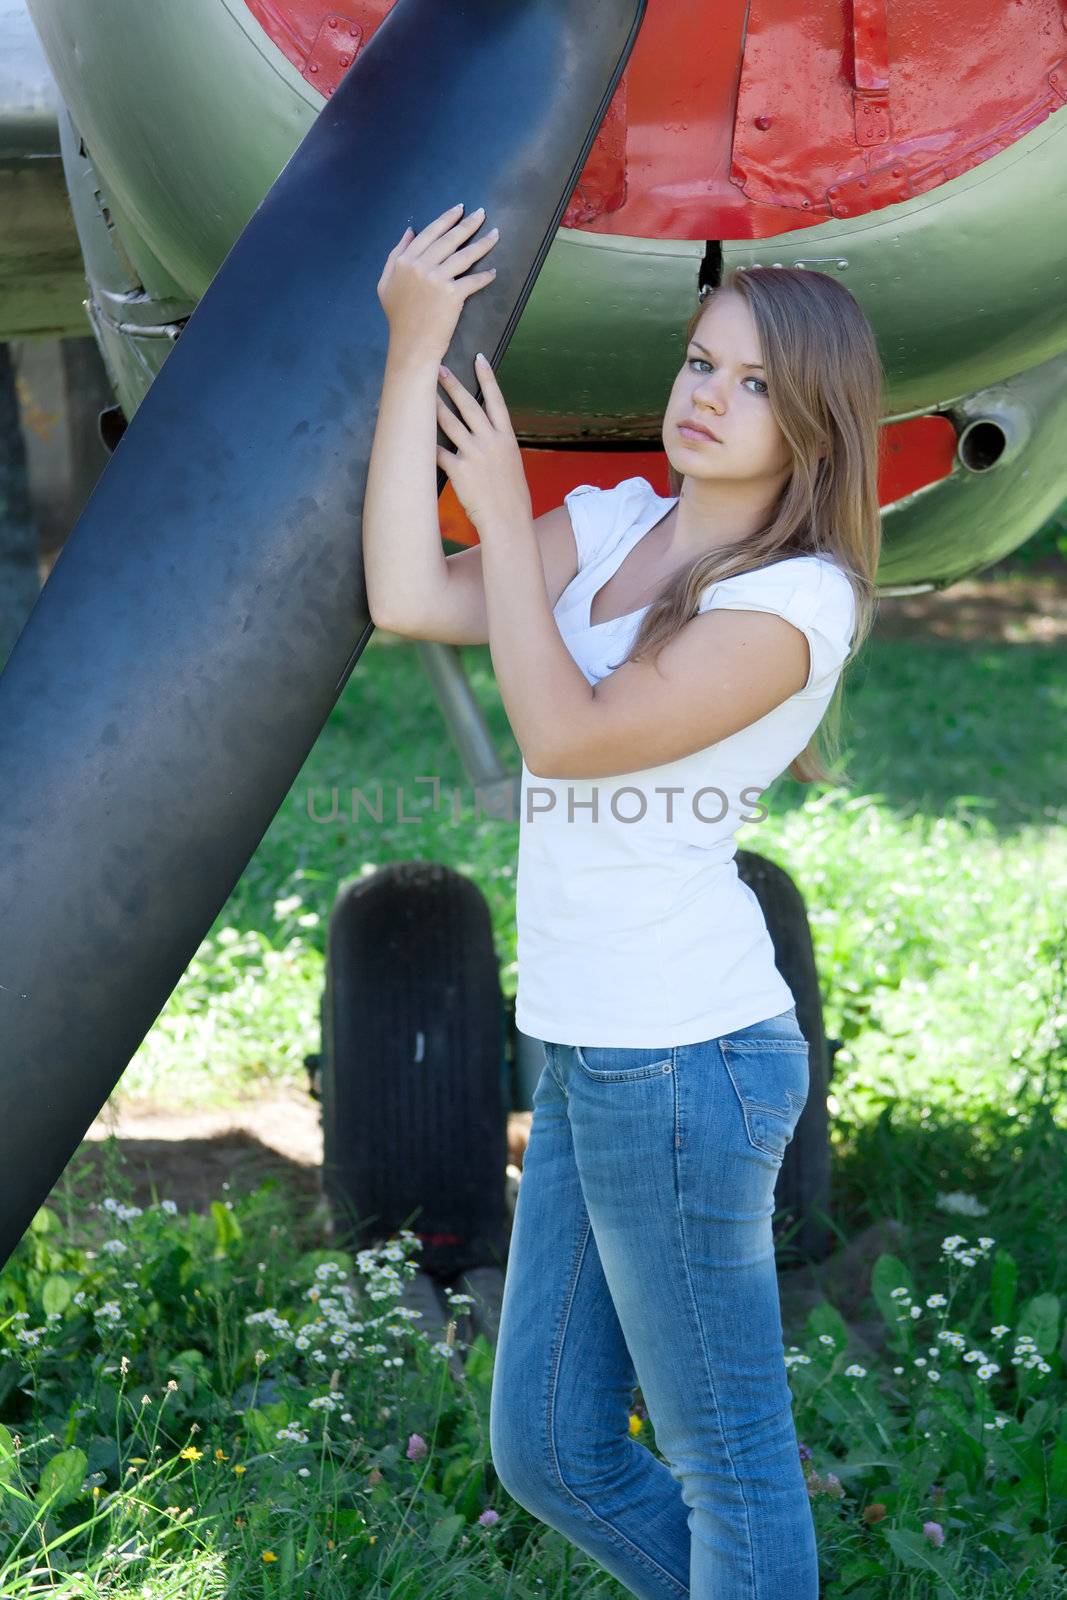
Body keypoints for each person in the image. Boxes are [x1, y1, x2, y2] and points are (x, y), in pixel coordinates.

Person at [364, 203, 883, 1599]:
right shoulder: (613, 524)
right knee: (547, 1447)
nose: (711, 399)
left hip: (689, 1059)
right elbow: (409, 594)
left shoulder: (796, 605)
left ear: (815, 424)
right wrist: (416, 352)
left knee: (730, 1472)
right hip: (595, 1050)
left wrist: (512, 515)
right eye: (702, 364)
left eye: (758, 384)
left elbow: (571, 736)